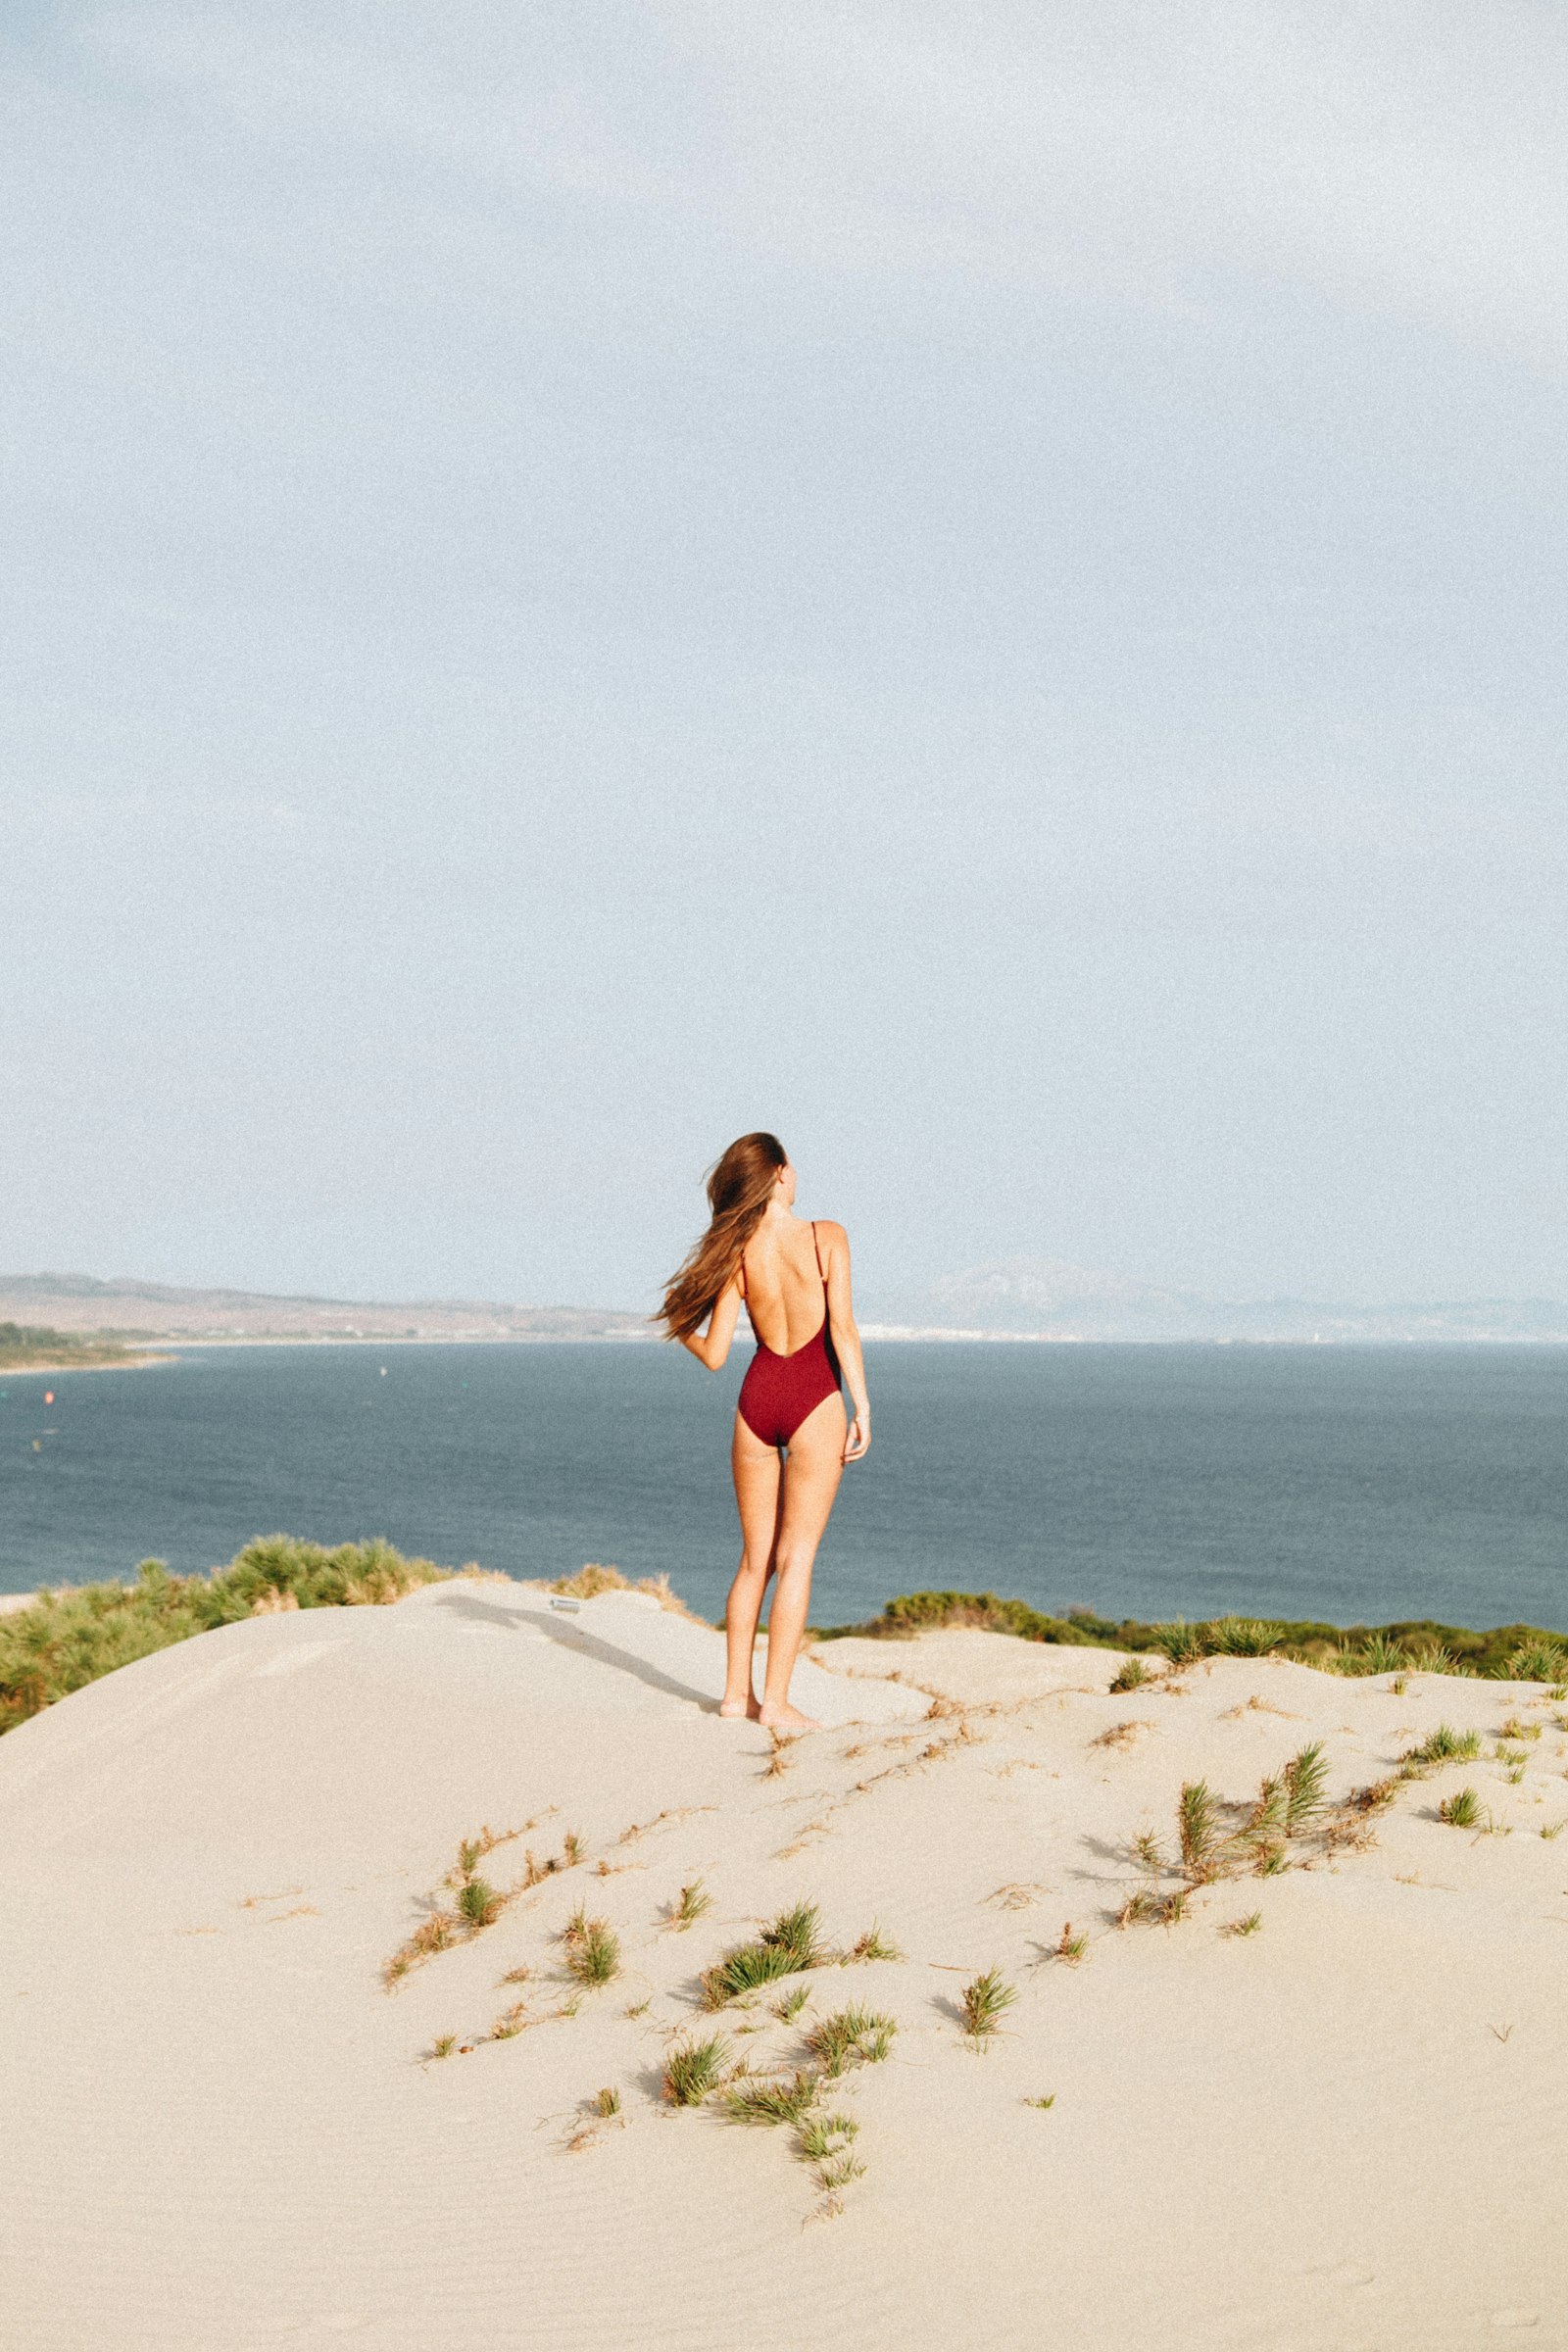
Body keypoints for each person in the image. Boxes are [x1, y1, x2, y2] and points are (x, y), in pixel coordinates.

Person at [660, 1132, 870, 1730]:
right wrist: (863, 1407)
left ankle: (734, 1696)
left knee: (756, 1561)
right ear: (779, 1173)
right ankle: (774, 1703)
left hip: (757, 1398)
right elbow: (845, 1331)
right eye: (792, 1166)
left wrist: (681, 1328)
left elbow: (716, 1355)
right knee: (796, 1558)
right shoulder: (827, 1237)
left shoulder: (737, 1251)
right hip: (813, 1398)